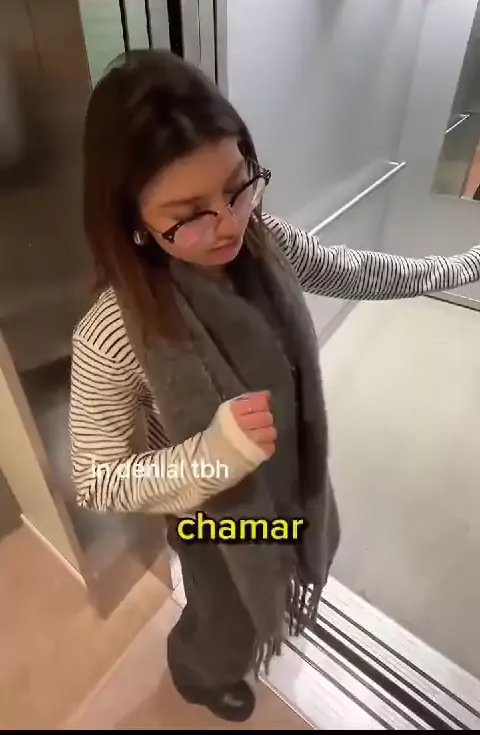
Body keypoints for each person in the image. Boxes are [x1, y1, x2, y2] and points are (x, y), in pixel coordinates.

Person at [69, 49, 480, 723]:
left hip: (288, 487)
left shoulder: (265, 242)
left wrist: (463, 265)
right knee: (224, 614)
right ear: (134, 220)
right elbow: (97, 479)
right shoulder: (112, 333)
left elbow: (354, 270)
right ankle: (199, 672)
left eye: (238, 187)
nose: (229, 225)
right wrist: (213, 457)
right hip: (209, 519)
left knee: (269, 576)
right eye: (190, 213)